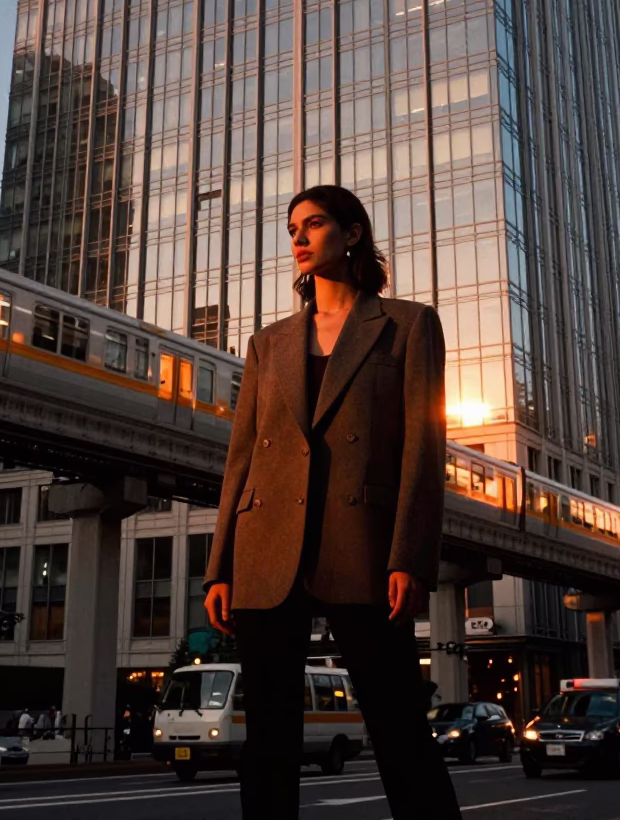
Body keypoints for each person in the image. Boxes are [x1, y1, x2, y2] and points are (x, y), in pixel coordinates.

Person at [204, 185, 460, 819]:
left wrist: (411, 557)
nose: (298, 237)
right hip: (267, 549)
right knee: (267, 740)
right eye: (293, 227)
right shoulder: (268, 344)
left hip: (365, 547)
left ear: (351, 235)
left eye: (313, 224)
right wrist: (221, 567)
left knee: (399, 725)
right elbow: (243, 459)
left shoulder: (407, 324)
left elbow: (422, 452)